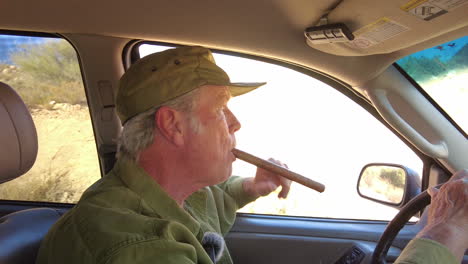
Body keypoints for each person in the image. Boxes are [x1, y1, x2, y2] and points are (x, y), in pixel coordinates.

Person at [36, 46, 467, 264]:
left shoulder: (166, 196)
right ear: (173, 125)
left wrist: (250, 187)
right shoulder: (139, 246)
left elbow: (206, 213)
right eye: (220, 108)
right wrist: (443, 237)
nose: (235, 124)